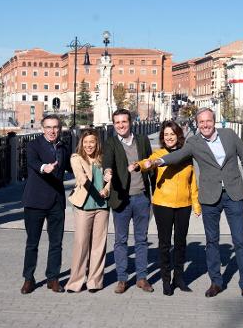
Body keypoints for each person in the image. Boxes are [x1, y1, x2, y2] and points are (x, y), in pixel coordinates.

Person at [148, 107, 243, 301]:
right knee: (212, 241)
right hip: (209, 198)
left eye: (208, 121)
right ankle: (216, 282)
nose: (205, 125)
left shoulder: (229, 135)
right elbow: (177, 156)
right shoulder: (194, 142)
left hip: (233, 194)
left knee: (239, 240)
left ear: (214, 121)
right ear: (197, 125)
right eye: (201, 122)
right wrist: (158, 161)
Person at [132, 120, 200, 296]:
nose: (169, 137)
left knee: (180, 243)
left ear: (178, 136)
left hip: (184, 205)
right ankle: (166, 280)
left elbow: (192, 181)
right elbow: (148, 163)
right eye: (166, 135)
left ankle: (179, 278)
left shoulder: (186, 155)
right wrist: (140, 165)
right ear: (162, 137)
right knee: (164, 244)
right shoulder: (159, 154)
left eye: (172, 134)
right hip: (163, 205)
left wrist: (196, 203)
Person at [102, 108, 155, 294]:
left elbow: (150, 163)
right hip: (121, 199)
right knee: (120, 240)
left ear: (130, 122)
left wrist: (154, 185)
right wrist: (107, 172)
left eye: (124, 122)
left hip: (141, 197)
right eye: (117, 122)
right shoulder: (110, 142)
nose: (121, 125)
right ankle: (122, 279)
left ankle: (142, 278)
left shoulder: (142, 140)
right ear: (113, 124)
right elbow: (107, 162)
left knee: (141, 239)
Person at [20, 114, 71, 295]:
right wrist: (44, 167)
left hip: (56, 202)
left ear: (60, 129)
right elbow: (33, 162)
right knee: (32, 243)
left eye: (56, 127)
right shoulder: (33, 145)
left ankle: (53, 278)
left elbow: (72, 167)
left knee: (56, 243)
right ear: (43, 128)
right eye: (49, 127)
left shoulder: (63, 147)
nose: (52, 131)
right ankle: (28, 278)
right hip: (35, 201)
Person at [65, 129, 112, 293]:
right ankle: (75, 282)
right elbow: (82, 179)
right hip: (84, 205)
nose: (89, 145)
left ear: (97, 143)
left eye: (92, 142)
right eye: (85, 142)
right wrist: (96, 193)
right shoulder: (76, 158)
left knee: (99, 245)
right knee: (81, 243)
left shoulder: (103, 158)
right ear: (81, 144)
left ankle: (94, 282)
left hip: (102, 207)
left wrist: (106, 190)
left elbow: (110, 178)